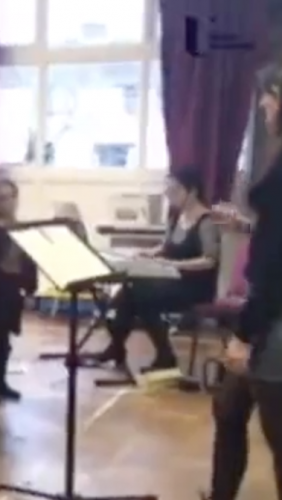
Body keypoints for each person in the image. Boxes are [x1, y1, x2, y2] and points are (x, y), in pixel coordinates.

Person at [216, 63, 282, 500]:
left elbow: (275, 268)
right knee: (228, 407)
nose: (263, 106)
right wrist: (247, 225)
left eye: (269, 97)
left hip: (272, 324)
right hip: (267, 317)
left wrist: (244, 335)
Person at [86, 169, 220, 372]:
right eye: (168, 190)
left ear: (192, 191)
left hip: (194, 286)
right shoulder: (177, 217)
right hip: (170, 280)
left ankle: (125, 348)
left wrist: (174, 265)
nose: (169, 194)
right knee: (133, 290)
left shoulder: (206, 221)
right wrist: (148, 254)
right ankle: (131, 349)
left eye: (174, 190)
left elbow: (209, 260)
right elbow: (166, 247)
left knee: (139, 293)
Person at [0, 178, 37, 402]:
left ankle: (1, 382)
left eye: (12, 196)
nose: (9, 202)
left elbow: (30, 262)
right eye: (3, 198)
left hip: (14, 288)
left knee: (5, 340)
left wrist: (31, 290)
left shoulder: (22, 228)